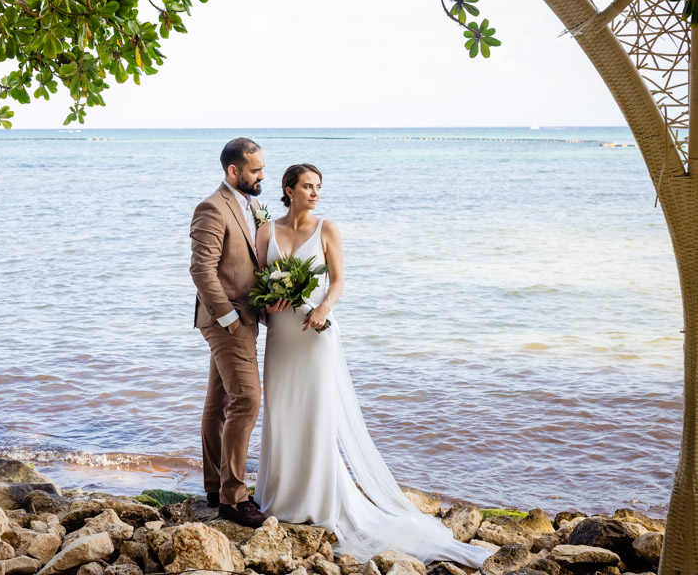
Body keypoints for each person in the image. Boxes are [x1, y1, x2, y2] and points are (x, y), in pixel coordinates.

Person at [254, 164, 490, 568]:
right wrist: (267, 302)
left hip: (315, 333)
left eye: (319, 187)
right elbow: (259, 281)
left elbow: (339, 280)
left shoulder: (327, 228)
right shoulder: (265, 231)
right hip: (280, 334)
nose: (315, 193)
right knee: (279, 410)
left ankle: (316, 501)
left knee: (315, 414)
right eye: (308, 186)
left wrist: (324, 308)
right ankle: (277, 496)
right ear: (288, 189)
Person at [188, 137, 270, 528]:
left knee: (219, 401)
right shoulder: (211, 208)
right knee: (247, 401)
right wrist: (229, 320)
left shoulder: (253, 205)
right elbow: (201, 271)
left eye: (262, 168)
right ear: (233, 171)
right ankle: (234, 499)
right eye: (255, 170)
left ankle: (214, 485)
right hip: (226, 320)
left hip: (248, 316)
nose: (261, 176)